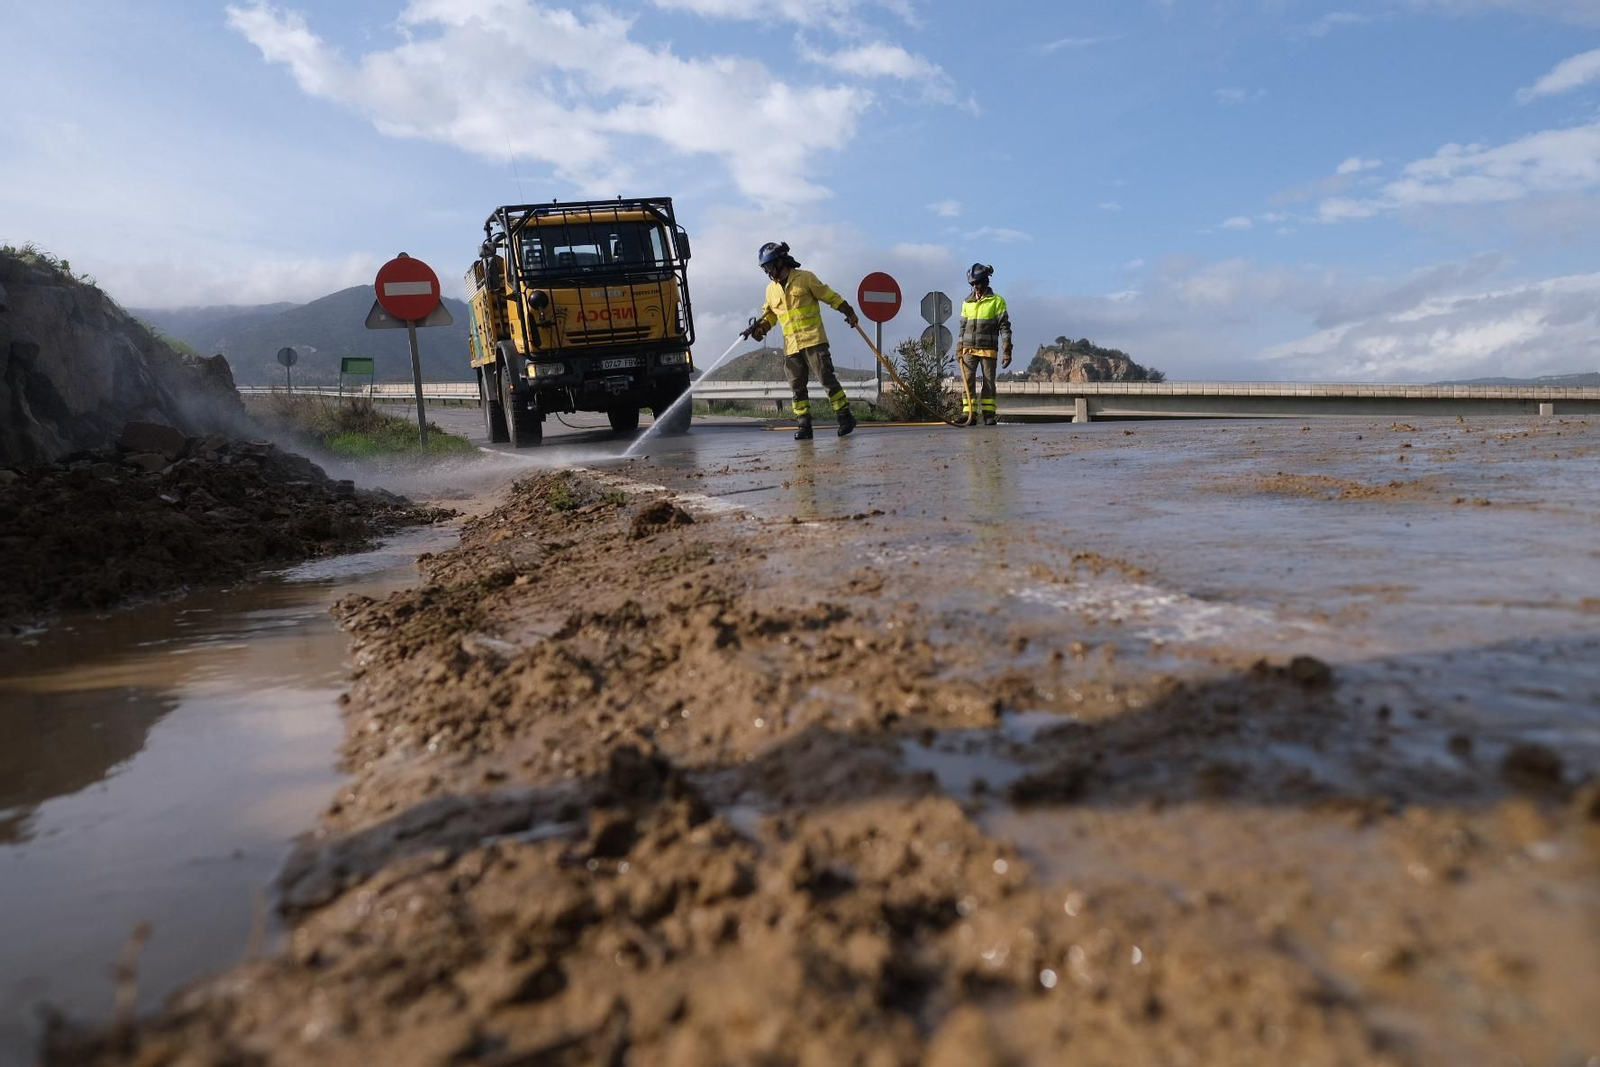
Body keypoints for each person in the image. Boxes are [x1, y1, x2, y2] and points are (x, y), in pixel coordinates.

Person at [741, 242, 859, 440]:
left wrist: (848, 311)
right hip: (791, 346)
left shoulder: (805, 278)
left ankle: (845, 417)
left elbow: (829, 296)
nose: (768, 271)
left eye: (769, 266)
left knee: (826, 379)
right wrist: (761, 330)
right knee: (797, 387)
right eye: (765, 268)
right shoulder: (771, 290)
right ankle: (804, 425)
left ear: (780, 262)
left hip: (813, 340)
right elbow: (770, 316)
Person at [955, 263, 1013, 426]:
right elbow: (962, 327)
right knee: (967, 381)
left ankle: (988, 415)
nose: (976, 286)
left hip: (988, 349)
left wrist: (1007, 350)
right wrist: (959, 348)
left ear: (986, 281)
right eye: (973, 284)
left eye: (978, 283)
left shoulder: (997, 301)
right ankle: (969, 414)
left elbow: (1005, 327)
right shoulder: (966, 302)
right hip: (968, 349)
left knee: (988, 382)